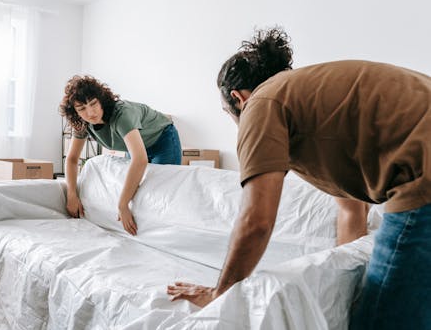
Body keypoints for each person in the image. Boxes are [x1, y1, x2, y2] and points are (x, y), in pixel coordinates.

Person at [167, 27, 431, 330]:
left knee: (379, 319)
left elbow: (256, 221)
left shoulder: (262, 103)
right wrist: (345, 275)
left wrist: (221, 294)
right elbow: (351, 209)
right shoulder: (314, 100)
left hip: (422, 178)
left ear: (238, 99)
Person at [59, 75, 181, 235]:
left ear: (101, 99)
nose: (90, 113)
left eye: (93, 103)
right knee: (133, 190)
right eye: (81, 109)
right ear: (75, 112)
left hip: (162, 140)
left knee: (160, 191)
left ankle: (166, 234)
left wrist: (122, 205)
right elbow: (72, 159)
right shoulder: (82, 124)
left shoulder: (122, 114)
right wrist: (72, 194)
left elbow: (140, 159)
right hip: (135, 147)